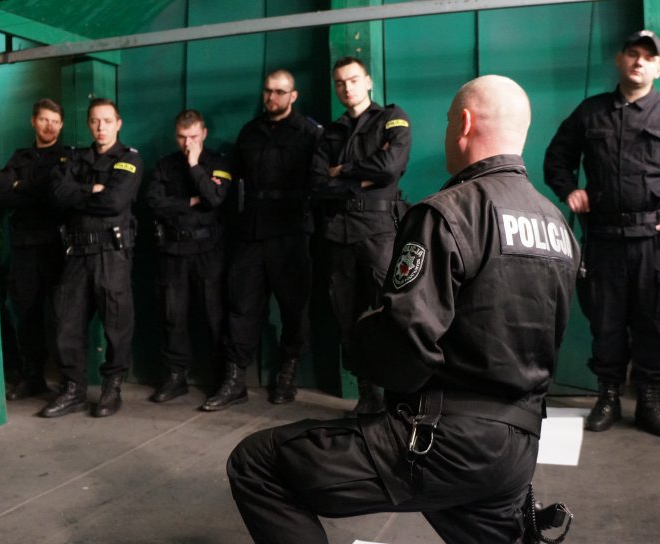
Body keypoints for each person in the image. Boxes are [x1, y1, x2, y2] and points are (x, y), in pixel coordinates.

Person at [227, 74, 580, 544]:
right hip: (518, 445)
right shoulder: (556, 225)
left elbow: (404, 343)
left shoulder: (447, 213)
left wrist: (362, 338)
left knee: (257, 462)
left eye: (449, 121)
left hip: (444, 440)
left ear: (465, 123)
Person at [544, 30, 660, 438]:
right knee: (605, 322)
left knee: (656, 323)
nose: (639, 62)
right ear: (620, 61)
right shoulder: (590, 112)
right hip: (604, 240)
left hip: (657, 241)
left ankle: (649, 401)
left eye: (648, 58)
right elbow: (556, 159)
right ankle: (607, 397)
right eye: (632, 54)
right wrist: (570, 189)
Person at [202, 70, 321, 411]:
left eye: (280, 92)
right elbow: (233, 178)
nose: (272, 97)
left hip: (290, 232)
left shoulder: (310, 133)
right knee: (241, 306)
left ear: (293, 96)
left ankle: (287, 374)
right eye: (268, 91)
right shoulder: (249, 132)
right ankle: (234, 380)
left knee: (294, 309)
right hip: (251, 232)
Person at [310, 56, 412, 413]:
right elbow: (318, 184)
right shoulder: (330, 133)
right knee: (347, 318)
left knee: (393, 313)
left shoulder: (392, 119)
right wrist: (361, 180)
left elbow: (390, 167)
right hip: (339, 234)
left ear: (368, 81)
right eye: (340, 82)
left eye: (353, 80)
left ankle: (399, 395)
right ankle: (368, 394)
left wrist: (344, 170)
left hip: (379, 232)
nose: (346, 87)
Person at [41, 98, 142, 418]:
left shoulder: (129, 159)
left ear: (118, 124)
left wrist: (80, 193)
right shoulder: (74, 158)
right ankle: (73, 390)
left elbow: (114, 202)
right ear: (88, 124)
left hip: (111, 253)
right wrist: (92, 190)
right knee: (66, 323)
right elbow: (56, 195)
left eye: (107, 121)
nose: (101, 128)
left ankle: (112, 388)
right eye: (95, 121)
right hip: (76, 254)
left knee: (116, 324)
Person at [145, 109, 230, 404]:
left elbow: (215, 198)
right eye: (182, 137)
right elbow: (154, 203)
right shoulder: (165, 165)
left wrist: (194, 165)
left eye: (193, 136)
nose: (187, 143)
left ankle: (222, 377)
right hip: (173, 250)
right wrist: (190, 201)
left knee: (214, 315)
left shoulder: (217, 163)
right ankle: (175, 376)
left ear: (203, 133)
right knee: (173, 316)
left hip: (207, 250)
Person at [0, 98, 71, 401]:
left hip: (56, 246)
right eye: (44, 119)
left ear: (61, 125)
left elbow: (56, 196)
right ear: (33, 121)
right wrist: (31, 189)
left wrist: (19, 186)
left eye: (55, 121)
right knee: (26, 312)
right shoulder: (19, 156)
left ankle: (69, 381)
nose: (49, 126)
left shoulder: (67, 157)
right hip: (24, 247)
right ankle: (33, 377)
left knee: (63, 315)